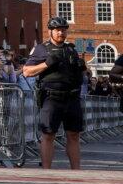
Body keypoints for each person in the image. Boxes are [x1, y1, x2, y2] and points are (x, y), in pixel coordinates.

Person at [23, 16, 85, 169]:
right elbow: (26, 72)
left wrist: (82, 66)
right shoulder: (41, 49)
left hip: (72, 97)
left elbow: (83, 74)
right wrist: (46, 63)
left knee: (74, 134)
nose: (61, 33)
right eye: (58, 30)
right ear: (50, 31)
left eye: (64, 30)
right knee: (49, 134)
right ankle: (46, 171)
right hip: (52, 98)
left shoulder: (71, 49)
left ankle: (76, 171)